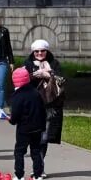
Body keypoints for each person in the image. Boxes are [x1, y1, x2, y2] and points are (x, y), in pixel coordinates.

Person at [24, 39, 65, 171]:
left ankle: (39, 166)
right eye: (37, 51)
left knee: (44, 137)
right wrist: (34, 76)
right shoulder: (28, 63)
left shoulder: (54, 63)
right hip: (33, 105)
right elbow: (22, 80)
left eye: (42, 51)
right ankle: (37, 163)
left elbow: (61, 81)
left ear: (47, 51)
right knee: (34, 136)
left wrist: (47, 75)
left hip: (49, 105)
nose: (40, 53)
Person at [7, 65, 46, 180]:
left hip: (24, 129)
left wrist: (11, 120)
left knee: (19, 152)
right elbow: (42, 110)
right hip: (37, 127)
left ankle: (19, 177)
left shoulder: (17, 96)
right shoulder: (36, 92)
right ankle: (38, 177)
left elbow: (16, 115)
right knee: (36, 151)